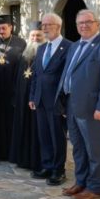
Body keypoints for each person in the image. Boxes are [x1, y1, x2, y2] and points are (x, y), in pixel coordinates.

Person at [57, 9, 100, 199]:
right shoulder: (74, 46)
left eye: (88, 22)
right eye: (80, 23)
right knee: (78, 148)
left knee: (95, 150)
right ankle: (81, 182)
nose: (84, 26)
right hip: (73, 106)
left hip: (94, 109)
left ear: (97, 24)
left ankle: (94, 188)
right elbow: (69, 74)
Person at [29, 13, 71, 186]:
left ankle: (59, 170)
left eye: (48, 25)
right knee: (44, 135)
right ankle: (47, 166)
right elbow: (36, 75)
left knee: (57, 137)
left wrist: (66, 103)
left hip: (57, 101)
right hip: (40, 100)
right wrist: (33, 96)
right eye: (43, 25)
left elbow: (69, 77)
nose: (45, 28)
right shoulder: (42, 48)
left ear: (58, 26)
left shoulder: (69, 47)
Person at [0, 14, 26, 160]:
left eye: (4, 28)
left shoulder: (21, 44)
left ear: (11, 27)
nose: (1, 31)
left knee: (10, 123)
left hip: (12, 90)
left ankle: (11, 153)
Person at [9, 23, 45, 171]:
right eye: (32, 36)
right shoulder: (23, 56)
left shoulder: (45, 55)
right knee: (23, 128)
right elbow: (16, 78)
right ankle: (22, 159)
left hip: (37, 100)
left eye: (38, 36)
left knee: (36, 130)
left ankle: (36, 161)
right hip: (22, 100)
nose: (35, 38)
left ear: (44, 37)